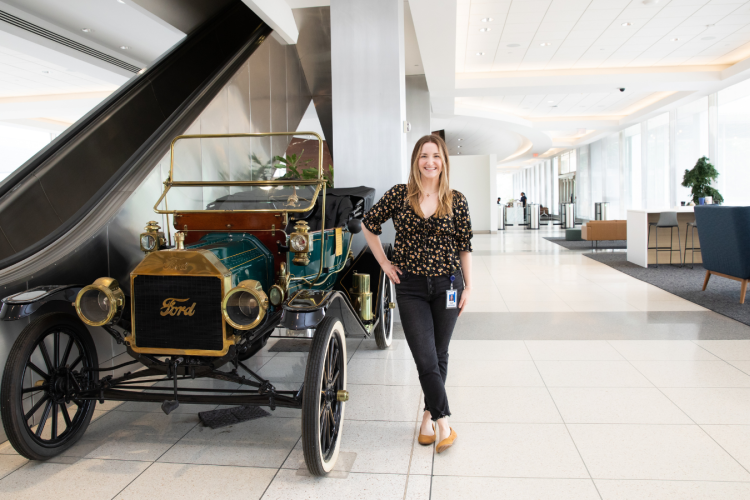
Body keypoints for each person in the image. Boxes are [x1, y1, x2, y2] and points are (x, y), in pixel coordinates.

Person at [361, 134, 473, 454]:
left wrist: (469, 287)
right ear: (415, 160)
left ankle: (427, 418)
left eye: (435, 156)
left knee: (439, 354)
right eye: (424, 156)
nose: (430, 162)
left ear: (444, 161)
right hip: (409, 287)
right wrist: (383, 262)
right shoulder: (399, 195)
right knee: (425, 357)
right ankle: (444, 423)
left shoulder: (456, 199)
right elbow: (369, 224)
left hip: (449, 286)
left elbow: (464, 248)